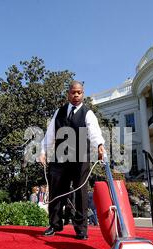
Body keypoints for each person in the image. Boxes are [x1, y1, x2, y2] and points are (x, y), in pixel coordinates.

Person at [39, 81, 105, 240]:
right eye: (73, 92)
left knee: (80, 192)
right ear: (68, 93)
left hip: (80, 158)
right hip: (59, 157)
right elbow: (50, 134)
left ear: (83, 94)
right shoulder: (59, 112)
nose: (76, 95)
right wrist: (43, 151)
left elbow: (95, 133)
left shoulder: (88, 113)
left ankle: (81, 229)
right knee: (56, 190)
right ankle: (54, 224)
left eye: (79, 92)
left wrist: (100, 146)